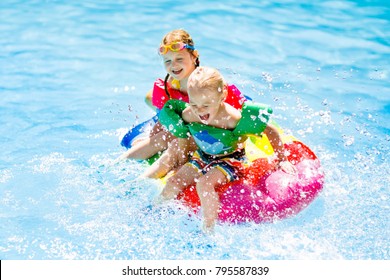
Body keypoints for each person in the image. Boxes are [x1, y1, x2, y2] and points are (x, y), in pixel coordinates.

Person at [157, 66, 296, 232]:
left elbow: (269, 130)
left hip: (231, 160)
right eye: (194, 103)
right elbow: (184, 135)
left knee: (204, 184)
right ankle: (155, 210)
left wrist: (282, 160)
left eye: (206, 105)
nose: (199, 110)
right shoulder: (189, 114)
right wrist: (182, 158)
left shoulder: (232, 118)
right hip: (202, 156)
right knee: (174, 181)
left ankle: (208, 229)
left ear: (222, 95)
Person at [116, 29, 246, 176]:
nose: (174, 66)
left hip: (208, 136)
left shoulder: (209, 86)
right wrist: (153, 137)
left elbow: (241, 114)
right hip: (183, 129)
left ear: (194, 56)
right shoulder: (167, 88)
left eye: (179, 59)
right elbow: (165, 120)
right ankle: (120, 163)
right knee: (163, 133)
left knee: (171, 137)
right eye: (168, 61)